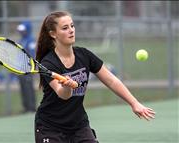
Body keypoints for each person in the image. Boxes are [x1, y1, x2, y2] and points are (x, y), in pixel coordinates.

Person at [35, 11, 156, 143]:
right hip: (50, 127)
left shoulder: (84, 55)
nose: (71, 30)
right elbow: (63, 95)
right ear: (53, 34)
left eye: (72, 26)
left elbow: (111, 80)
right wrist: (67, 87)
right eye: (65, 28)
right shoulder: (48, 63)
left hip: (78, 125)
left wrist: (134, 103)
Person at [16, 20, 36, 113]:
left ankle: (32, 107)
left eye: (23, 30)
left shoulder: (30, 40)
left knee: (28, 87)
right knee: (23, 87)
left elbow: (32, 54)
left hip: (28, 68)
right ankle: (26, 107)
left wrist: (31, 67)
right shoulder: (21, 40)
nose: (21, 31)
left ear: (27, 30)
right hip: (20, 68)